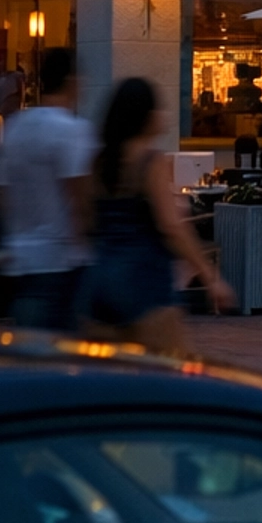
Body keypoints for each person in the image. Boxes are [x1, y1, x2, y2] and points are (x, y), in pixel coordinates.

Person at [85, 77, 234, 351]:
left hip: (99, 282)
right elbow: (171, 227)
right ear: (147, 116)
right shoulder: (150, 162)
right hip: (144, 284)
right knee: (169, 375)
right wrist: (210, 277)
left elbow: (85, 220)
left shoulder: (98, 163)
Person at [0, 47, 94, 332]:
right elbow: (81, 199)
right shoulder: (72, 130)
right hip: (63, 260)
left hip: (21, 258)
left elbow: (0, 197)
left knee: (32, 353)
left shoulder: (9, 130)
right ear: (72, 81)